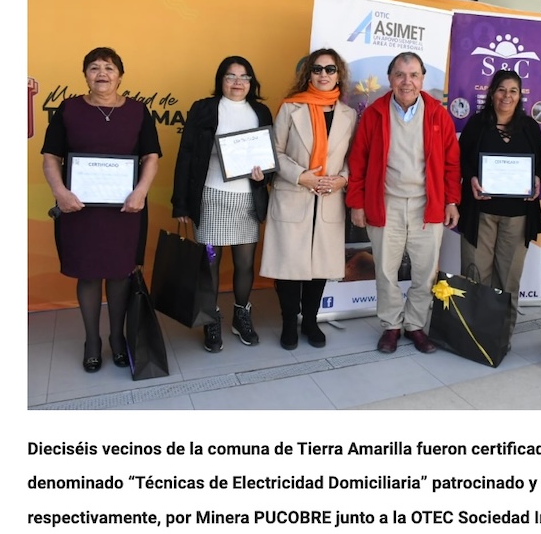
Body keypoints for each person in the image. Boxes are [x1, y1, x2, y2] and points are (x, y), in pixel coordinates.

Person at [41, 46, 162, 372]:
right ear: (85, 75)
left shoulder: (138, 111)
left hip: (126, 208)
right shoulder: (68, 109)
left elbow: (151, 156)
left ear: (120, 76)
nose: (102, 74)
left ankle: (117, 339)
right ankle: (92, 341)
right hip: (79, 210)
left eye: (109, 68)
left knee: (121, 274)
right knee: (89, 274)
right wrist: (60, 193)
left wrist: (141, 192)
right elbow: (51, 157)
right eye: (94, 68)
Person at [346, 52, 461, 353]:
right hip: (386, 204)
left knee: (425, 272)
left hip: (427, 205)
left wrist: (451, 200)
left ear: (422, 79)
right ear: (390, 79)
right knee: (386, 271)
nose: (406, 81)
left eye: (413, 75)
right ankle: (391, 326)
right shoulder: (375, 114)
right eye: (400, 74)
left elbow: (451, 163)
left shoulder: (437, 114)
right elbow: (358, 162)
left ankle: (415, 325)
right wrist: (357, 203)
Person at [172, 54, 274, 351]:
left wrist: (263, 177)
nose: (237, 82)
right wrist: (181, 203)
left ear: (251, 82)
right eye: (231, 76)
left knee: (244, 264)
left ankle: (241, 315)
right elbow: (186, 155)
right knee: (210, 265)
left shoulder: (261, 111)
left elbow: (269, 156)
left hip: (247, 200)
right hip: (211, 196)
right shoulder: (203, 109)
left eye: (244, 77)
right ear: (221, 80)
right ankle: (211, 319)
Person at [261, 47, 357, 351]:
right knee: (289, 267)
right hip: (294, 195)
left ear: (339, 75)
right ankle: (289, 322)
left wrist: (342, 178)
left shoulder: (349, 115)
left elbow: (354, 158)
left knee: (319, 267)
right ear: (308, 74)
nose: (324, 75)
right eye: (317, 69)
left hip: (328, 199)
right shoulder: (291, 108)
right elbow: (274, 152)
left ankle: (311, 321)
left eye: (330, 69)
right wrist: (302, 176)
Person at [458, 69, 541, 342]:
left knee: (508, 277)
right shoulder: (477, 124)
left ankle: (500, 336)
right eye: (501, 90)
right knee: (475, 273)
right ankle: (473, 333)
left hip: (518, 216)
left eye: (513, 91)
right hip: (481, 213)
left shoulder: (529, 127)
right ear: (492, 93)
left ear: (520, 96)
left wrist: (537, 178)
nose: (507, 96)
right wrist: (471, 178)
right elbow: (461, 159)